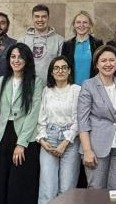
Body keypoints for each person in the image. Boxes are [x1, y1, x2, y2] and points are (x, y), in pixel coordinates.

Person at [0, 43, 43, 204]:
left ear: (27, 60)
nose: (16, 60)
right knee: (2, 179)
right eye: (13, 57)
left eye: (20, 57)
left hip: (24, 135)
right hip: (4, 135)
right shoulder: (1, 81)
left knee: (19, 182)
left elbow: (33, 114)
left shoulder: (36, 82)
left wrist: (21, 143)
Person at [78, 45, 116, 190]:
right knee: (96, 191)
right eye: (104, 60)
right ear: (96, 64)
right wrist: (87, 151)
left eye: (112, 60)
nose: (108, 64)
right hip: (95, 148)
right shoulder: (88, 85)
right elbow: (82, 121)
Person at [37, 56, 81, 203]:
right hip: (49, 139)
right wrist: (42, 140)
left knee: (67, 188)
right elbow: (41, 119)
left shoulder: (76, 90)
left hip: (71, 141)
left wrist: (65, 142)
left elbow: (79, 120)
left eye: (63, 68)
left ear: (69, 71)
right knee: (47, 188)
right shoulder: (46, 91)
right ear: (51, 72)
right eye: (56, 68)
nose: (60, 71)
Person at [19, 4, 65, 77]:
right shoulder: (22, 40)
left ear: (48, 18)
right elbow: (18, 64)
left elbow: (62, 66)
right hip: (28, 82)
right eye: (37, 16)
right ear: (32, 18)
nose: (40, 20)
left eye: (44, 16)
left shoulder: (59, 40)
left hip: (50, 83)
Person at [61, 11, 103, 85]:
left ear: (90, 25)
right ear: (74, 25)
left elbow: (101, 67)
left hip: (93, 87)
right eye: (78, 22)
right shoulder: (67, 45)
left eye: (85, 22)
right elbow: (64, 67)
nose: (81, 25)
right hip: (72, 87)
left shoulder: (97, 44)